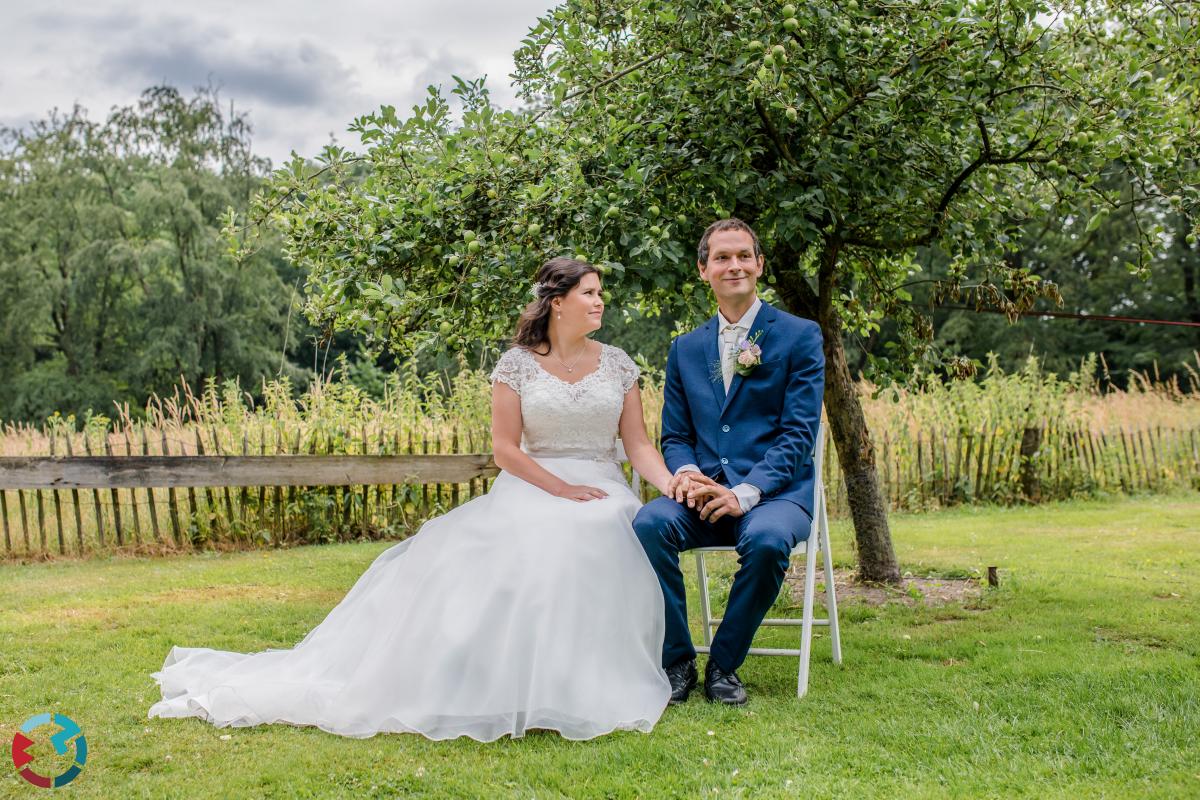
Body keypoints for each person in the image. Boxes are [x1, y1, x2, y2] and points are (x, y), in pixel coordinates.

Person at [148, 257, 675, 741]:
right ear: (558, 302)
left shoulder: (619, 364)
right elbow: (504, 450)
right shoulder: (516, 365)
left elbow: (639, 445)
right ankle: (499, 676)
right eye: (589, 292)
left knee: (605, 522)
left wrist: (671, 484)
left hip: (602, 483)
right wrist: (560, 490)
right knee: (531, 537)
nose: (600, 301)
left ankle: (587, 674)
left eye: (600, 293)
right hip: (534, 482)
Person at [633, 218, 825, 706]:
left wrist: (744, 493)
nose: (733, 265)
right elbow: (675, 435)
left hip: (773, 496)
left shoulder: (801, 336)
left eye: (743, 255)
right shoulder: (685, 348)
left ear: (759, 265)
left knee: (764, 541)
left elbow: (798, 434)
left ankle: (724, 663)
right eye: (722, 257)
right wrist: (686, 473)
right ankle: (677, 660)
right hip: (703, 495)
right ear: (704, 270)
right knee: (649, 523)